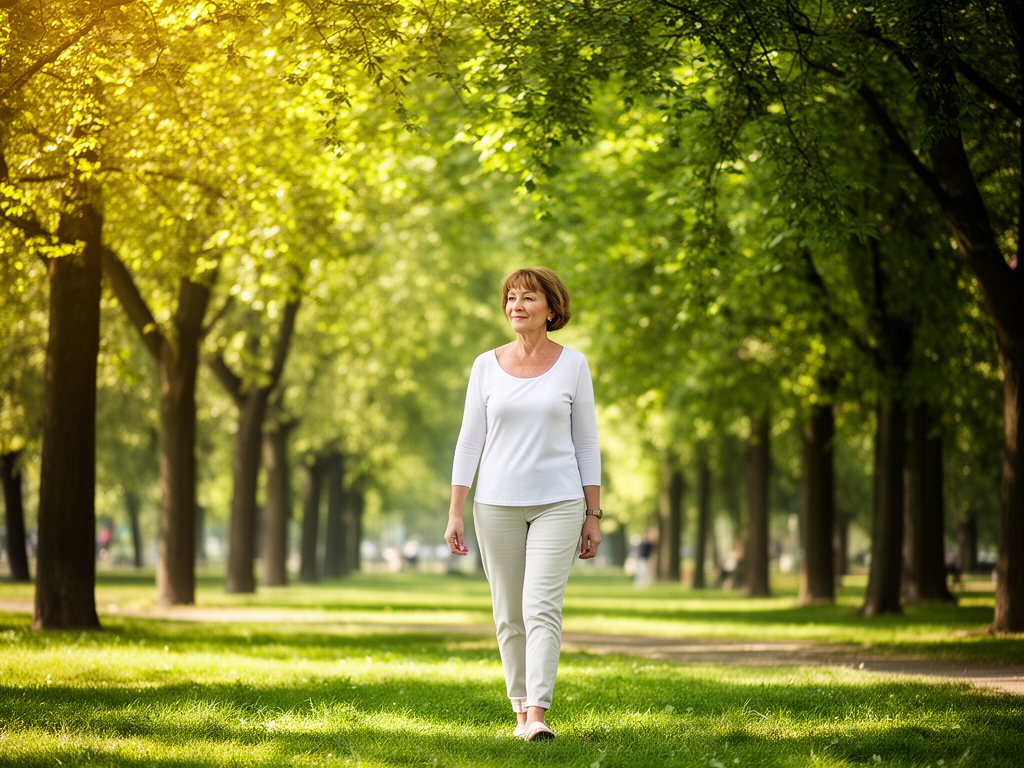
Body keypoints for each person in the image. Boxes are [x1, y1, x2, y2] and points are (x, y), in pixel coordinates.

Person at [445, 267, 602, 742]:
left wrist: (593, 514)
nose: (516, 305)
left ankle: (537, 713)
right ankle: (519, 712)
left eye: (528, 298)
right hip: (495, 504)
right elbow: (469, 440)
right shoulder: (484, 365)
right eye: (510, 297)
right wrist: (455, 510)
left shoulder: (573, 364)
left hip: (559, 501)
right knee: (508, 613)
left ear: (551, 309)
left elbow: (587, 442)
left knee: (541, 607)